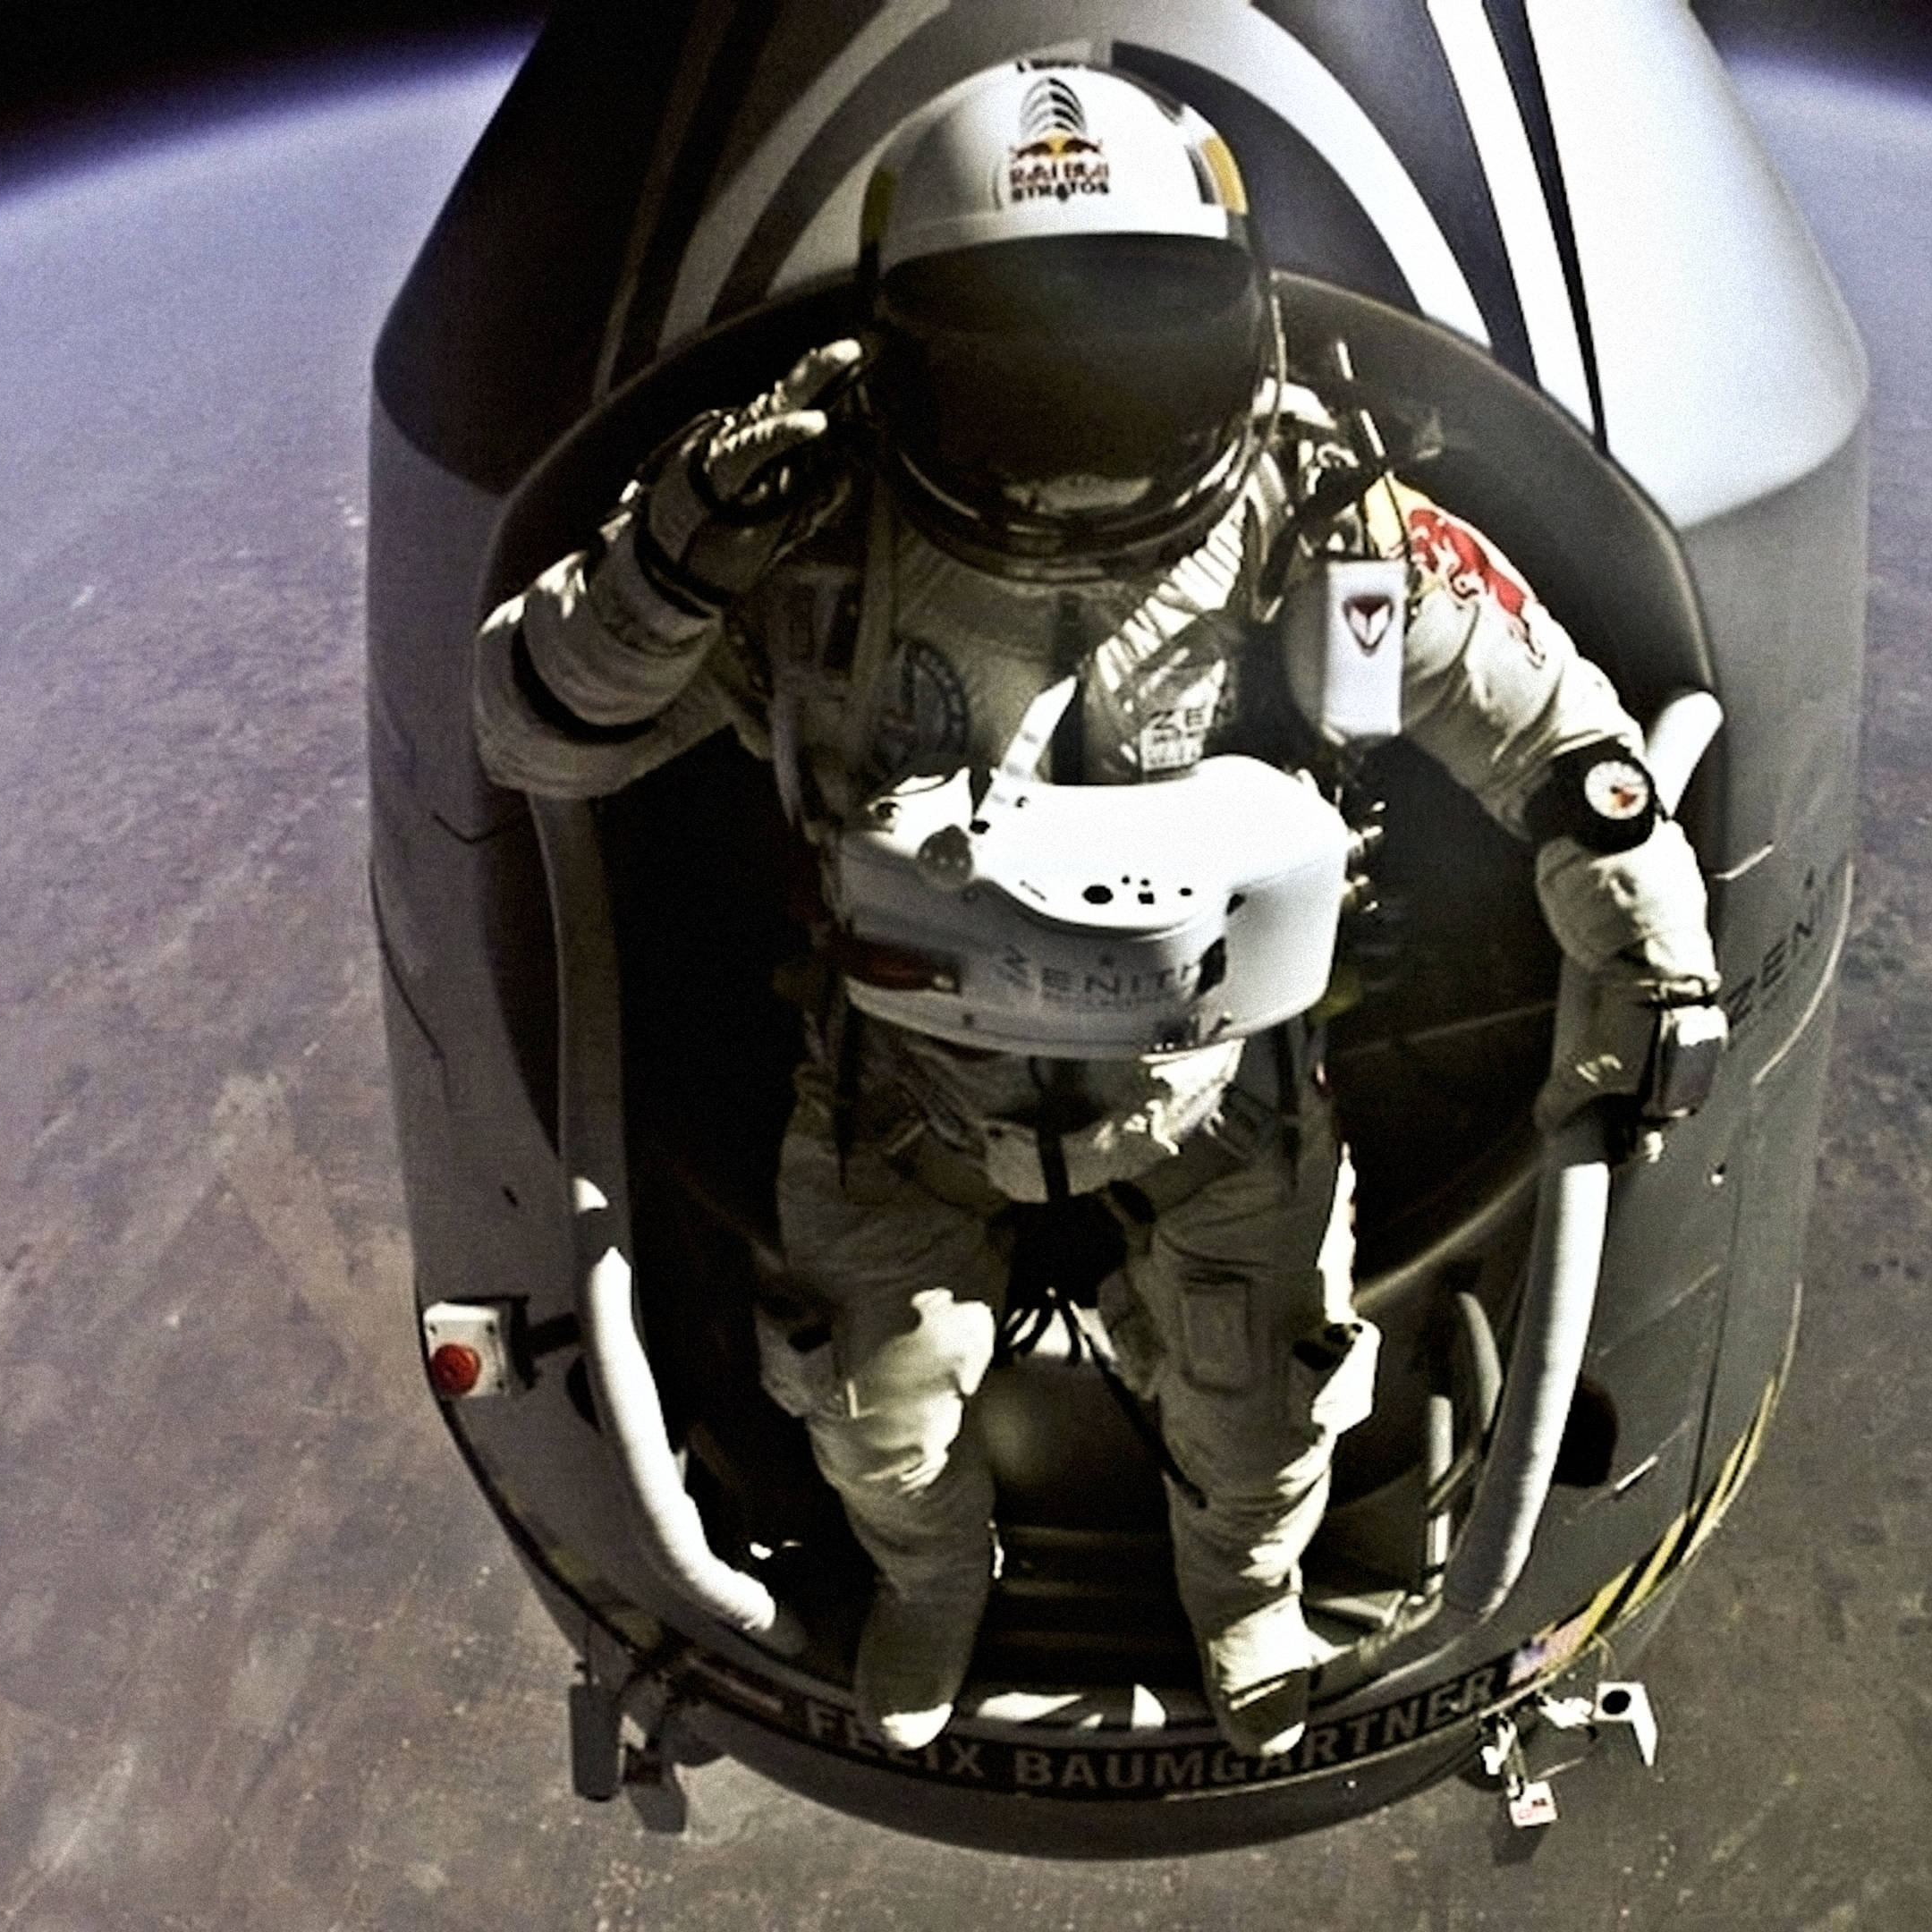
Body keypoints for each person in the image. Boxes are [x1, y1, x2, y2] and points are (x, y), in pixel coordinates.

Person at [471, 60, 1722, 1758]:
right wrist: (671, 562)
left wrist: (1650, 953)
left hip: (1217, 1091)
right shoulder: (806, 520)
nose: (1079, 451)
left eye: (1131, 368)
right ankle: (932, 1580)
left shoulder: (1310, 513)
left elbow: (1558, 744)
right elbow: (538, 726)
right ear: (907, 363)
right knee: (876, 1411)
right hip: (904, 1092)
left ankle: (1244, 1593)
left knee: (1261, 1403)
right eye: (1031, 384)